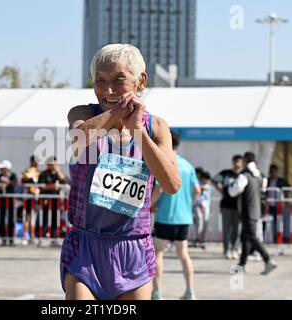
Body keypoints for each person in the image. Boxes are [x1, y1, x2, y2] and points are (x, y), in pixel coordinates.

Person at [61, 44, 181, 300]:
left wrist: (138, 131)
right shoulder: (83, 113)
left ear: (141, 81)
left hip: (134, 248)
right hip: (86, 247)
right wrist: (117, 113)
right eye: (100, 82)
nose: (108, 90)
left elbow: (171, 185)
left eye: (118, 80)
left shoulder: (156, 127)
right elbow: (78, 139)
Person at [150, 131, 200, 300]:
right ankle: (190, 291)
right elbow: (198, 190)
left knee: (158, 253)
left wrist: (148, 204)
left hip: (166, 216)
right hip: (184, 218)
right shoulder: (188, 165)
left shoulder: (166, 163)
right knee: (184, 255)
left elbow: (160, 189)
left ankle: (156, 293)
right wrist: (188, 204)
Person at [228, 152, 277, 275]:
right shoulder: (261, 175)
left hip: (246, 211)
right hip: (256, 210)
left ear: (244, 160)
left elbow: (233, 191)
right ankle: (242, 264)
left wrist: (231, 186)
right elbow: (263, 191)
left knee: (251, 236)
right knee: (245, 237)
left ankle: (268, 260)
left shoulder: (244, 175)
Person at [212, 154, 243, 259]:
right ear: (233, 162)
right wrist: (221, 190)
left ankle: (234, 249)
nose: (237, 164)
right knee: (226, 229)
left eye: (239, 162)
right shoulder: (226, 173)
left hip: (238, 206)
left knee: (237, 229)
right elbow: (214, 180)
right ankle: (226, 250)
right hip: (226, 205)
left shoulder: (243, 175)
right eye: (236, 162)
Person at [38, 156, 69, 244]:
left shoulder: (58, 174)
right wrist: (52, 186)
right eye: (52, 164)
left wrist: (58, 171)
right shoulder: (43, 174)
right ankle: (43, 238)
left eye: (55, 164)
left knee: (55, 219)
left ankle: (54, 238)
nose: (53, 166)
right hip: (46, 201)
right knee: (44, 219)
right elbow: (41, 186)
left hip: (56, 202)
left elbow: (66, 182)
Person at [0, 160, 18, 246]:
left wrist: (6, 182)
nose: (1, 170)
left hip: (10, 200)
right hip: (1, 201)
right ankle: (3, 238)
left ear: (7, 169)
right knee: (1, 219)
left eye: (3, 168)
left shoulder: (13, 175)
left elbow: (15, 182)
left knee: (11, 219)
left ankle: (11, 239)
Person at [265, 164, 290, 243]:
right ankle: (269, 238)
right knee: (268, 223)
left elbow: (288, 188)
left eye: (274, 172)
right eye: (271, 172)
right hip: (269, 205)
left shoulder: (281, 181)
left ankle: (279, 238)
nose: (272, 173)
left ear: (276, 172)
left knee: (279, 222)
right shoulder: (267, 180)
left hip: (278, 205)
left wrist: (285, 199)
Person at [21, 155, 40, 244]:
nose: (36, 164)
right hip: (28, 198)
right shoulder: (26, 171)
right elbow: (23, 179)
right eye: (34, 162)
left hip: (35, 198)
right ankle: (25, 236)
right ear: (31, 162)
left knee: (33, 217)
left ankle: (32, 235)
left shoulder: (38, 172)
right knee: (26, 218)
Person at [193, 170, 212, 250]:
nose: (206, 181)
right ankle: (197, 239)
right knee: (199, 222)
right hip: (198, 206)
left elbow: (208, 197)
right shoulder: (198, 183)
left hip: (206, 207)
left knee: (206, 223)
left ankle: (203, 240)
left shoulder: (208, 186)